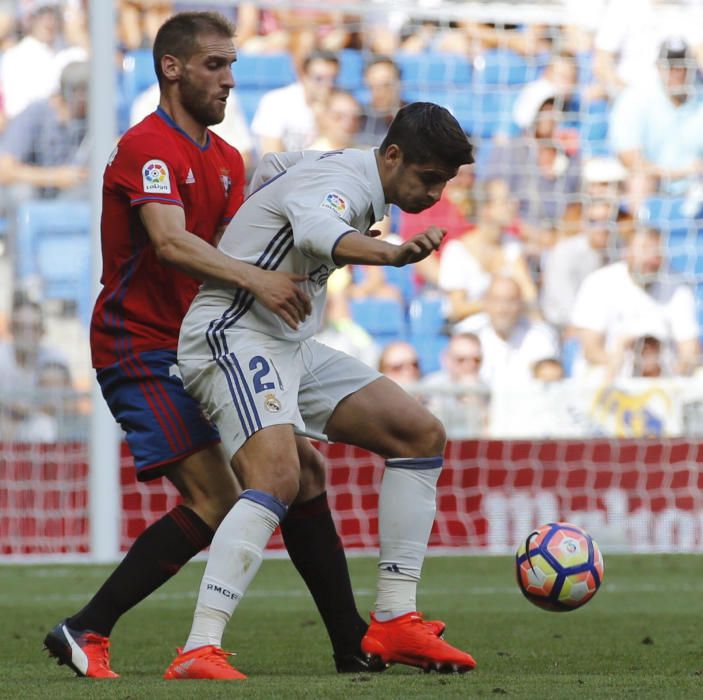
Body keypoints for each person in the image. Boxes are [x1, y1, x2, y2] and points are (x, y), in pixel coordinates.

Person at [43, 11, 380, 680]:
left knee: (303, 473)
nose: (229, 81)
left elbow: (238, 250)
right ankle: (86, 629)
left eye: (232, 66)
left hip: (206, 345)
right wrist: (259, 279)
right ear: (171, 68)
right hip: (140, 348)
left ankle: (353, 643)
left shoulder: (227, 160)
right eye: (214, 66)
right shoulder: (147, 146)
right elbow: (169, 243)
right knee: (218, 500)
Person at [167, 102, 476, 679]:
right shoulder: (338, 179)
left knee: (419, 433)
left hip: (287, 341)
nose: (434, 193)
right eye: (428, 178)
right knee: (278, 475)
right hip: (232, 332)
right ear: (392, 155)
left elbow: (273, 169)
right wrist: (391, 253)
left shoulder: (335, 168)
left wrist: (247, 227)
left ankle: (394, 619)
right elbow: (318, 230)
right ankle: (198, 648)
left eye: (444, 183)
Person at [570, 226, 699, 381]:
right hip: (611, 374)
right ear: (627, 252)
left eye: (656, 251)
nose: (650, 258)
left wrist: (677, 367)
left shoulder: (677, 286)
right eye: (644, 249)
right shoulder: (599, 283)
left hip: (662, 378)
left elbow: (689, 348)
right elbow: (590, 350)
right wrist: (620, 359)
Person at [609, 37, 703, 203]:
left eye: (683, 66)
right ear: (659, 68)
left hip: (697, 182)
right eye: (671, 66)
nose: (678, 72)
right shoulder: (635, 98)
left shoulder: (700, 98)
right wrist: (675, 173)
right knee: (639, 181)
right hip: (655, 182)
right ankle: (643, 227)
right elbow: (629, 158)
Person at [438, 178, 535, 326]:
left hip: (510, 327)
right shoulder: (457, 251)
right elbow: (457, 309)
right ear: (486, 210)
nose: (513, 205)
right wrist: (497, 304)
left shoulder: (512, 245)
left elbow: (529, 295)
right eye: (504, 202)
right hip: (472, 330)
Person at [0, 60, 89, 202]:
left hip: (69, 198)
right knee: (21, 192)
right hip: (33, 197)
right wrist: (53, 177)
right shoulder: (36, 112)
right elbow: (4, 170)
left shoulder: (93, 120)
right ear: (74, 93)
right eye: (85, 93)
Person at [455, 275, 561, 389]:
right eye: (496, 300)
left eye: (510, 301)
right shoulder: (469, 334)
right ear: (485, 302)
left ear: (521, 305)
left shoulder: (540, 338)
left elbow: (550, 382)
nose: (502, 309)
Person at [250, 49, 339, 154]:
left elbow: (341, 150)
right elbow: (270, 156)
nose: (328, 85)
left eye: (333, 79)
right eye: (319, 79)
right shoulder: (276, 102)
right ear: (303, 76)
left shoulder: (340, 105)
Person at [420, 333, 488, 438]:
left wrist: (476, 402)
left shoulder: (487, 389)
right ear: (446, 360)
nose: (470, 365)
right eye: (461, 360)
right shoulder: (431, 387)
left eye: (476, 360)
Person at [357, 55, 404, 148]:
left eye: (386, 85)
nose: (379, 92)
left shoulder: (417, 119)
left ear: (400, 84)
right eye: (373, 86)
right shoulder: (358, 120)